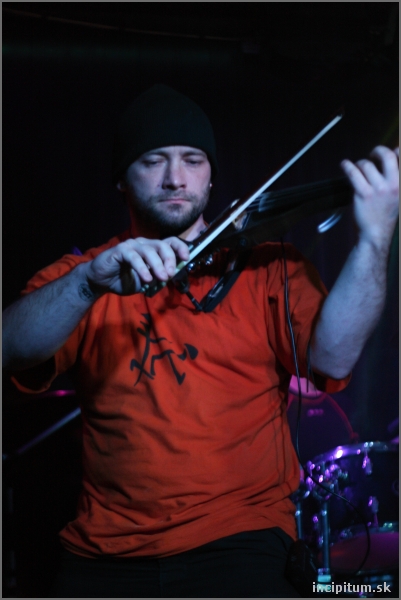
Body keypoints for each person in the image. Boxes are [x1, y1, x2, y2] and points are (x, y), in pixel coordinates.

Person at [2, 84, 399, 598]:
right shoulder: (90, 273)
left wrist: (374, 237)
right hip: (105, 551)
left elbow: (335, 357)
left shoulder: (268, 266)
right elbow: (10, 348)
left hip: (242, 538)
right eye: (153, 161)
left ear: (210, 177)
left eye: (192, 160)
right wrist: (85, 285)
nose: (175, 178)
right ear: (121, 179)